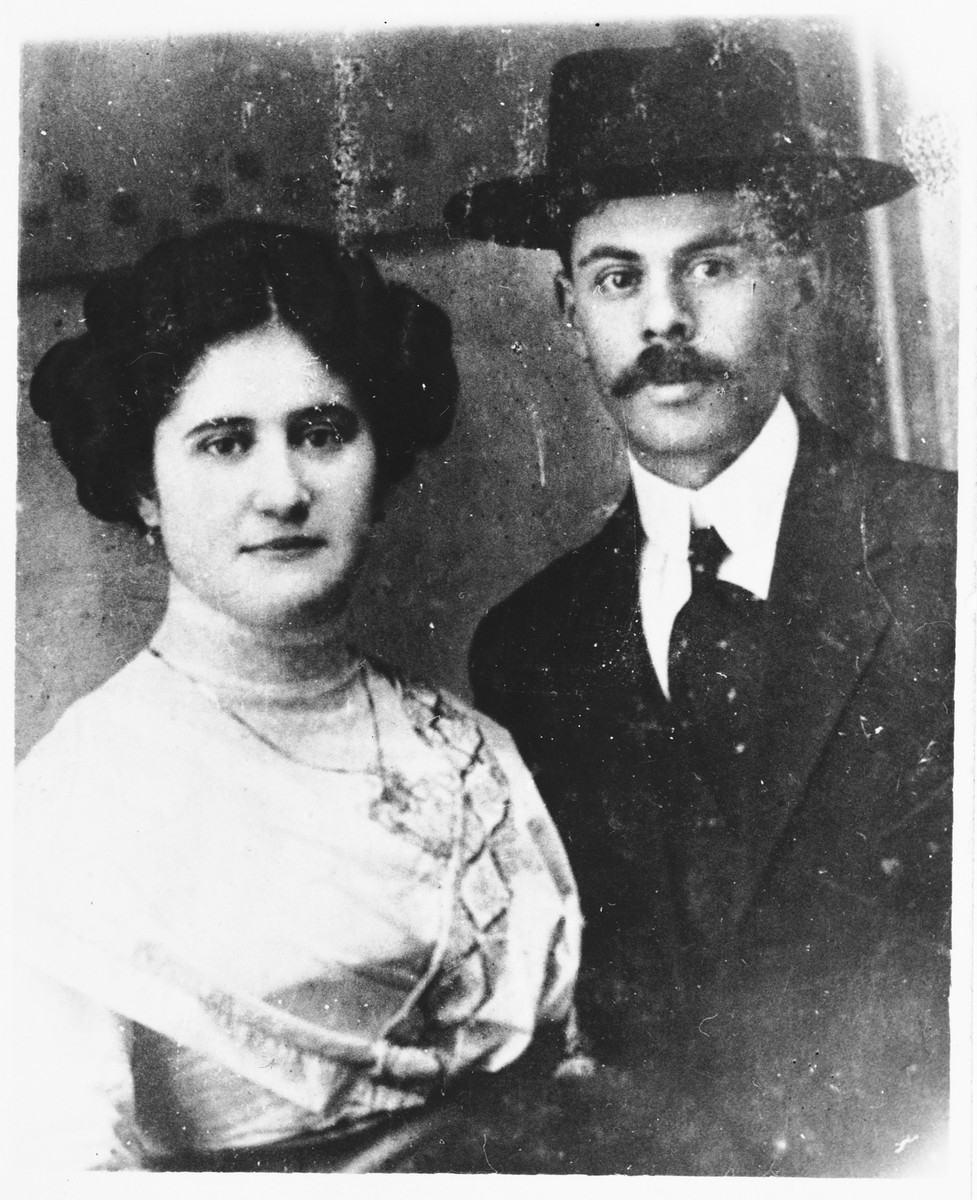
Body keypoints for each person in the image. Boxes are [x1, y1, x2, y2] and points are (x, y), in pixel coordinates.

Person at [445, 39, 955, 1171]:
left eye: (712, 265)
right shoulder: (531, 648)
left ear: (805, 278)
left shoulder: (946, 559)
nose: (662, 318)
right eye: (618, 277)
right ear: (566, 309)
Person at [15, 220, 581, 1172]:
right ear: (142, 485)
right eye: (224, 442)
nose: (283, 488)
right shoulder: (72, 807)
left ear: (383, 459)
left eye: (321, 433)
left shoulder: (473, 753)